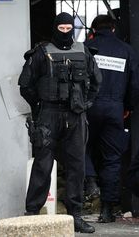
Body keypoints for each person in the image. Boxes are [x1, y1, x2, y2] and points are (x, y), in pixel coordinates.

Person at [18, 12, 102, 233]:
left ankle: (76, 216)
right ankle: (32, 214)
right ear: (55, 28)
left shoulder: (83, 52)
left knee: (77, 167)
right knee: (42, 165)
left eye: (68, 29)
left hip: (76, 116)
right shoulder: (41, 53)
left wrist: (86, 104)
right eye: (61, 29)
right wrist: (40, 106)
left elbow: (96, 82)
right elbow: (25, 85)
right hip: (48, 115)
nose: (65, 33)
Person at [83, 14, 139, 223]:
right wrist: (128, 107)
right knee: (112, 159)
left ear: (93, 30)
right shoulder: (126, 50)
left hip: (87, 107)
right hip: (115, 109)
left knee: (80, 147)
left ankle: (90, 182)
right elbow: (135, 84)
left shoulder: (85, 48)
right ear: (114, 29)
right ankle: (107, 210)